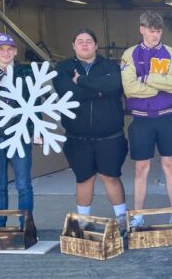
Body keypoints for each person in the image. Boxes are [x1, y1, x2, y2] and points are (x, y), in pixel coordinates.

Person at [53, 28, 128, 227]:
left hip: (110, 136)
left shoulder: (110, 65)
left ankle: (122, 220)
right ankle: (84, 222)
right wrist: (98, 91)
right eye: (80, 41)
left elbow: (114, 85)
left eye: (88, 41)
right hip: (78, 137)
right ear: (73, 45)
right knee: (84, 179)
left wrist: (82, 82)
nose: (84, 44)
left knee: (111, 177)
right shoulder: (63, 67)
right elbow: (66, 91)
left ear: (95, 45)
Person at [121, 11, 172, 227]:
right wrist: (160, 87)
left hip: (167, 118)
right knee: (141, 168)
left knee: (170, 165)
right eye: (151, 30)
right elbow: (129, 88)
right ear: (142, 29)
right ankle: (138, 214)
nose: (155, 35)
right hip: (141, 119)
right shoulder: (130, 54)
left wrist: (146, 78)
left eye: (158, 31)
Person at [0, 33, 36, 227]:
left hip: (19, 135)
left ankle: (27, 225)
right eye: (1, 49)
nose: (5, 53)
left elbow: (35, 102)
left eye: (9, 49)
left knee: (23, 184)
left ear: (15, 51)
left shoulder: (26, 73)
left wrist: (36, 130)